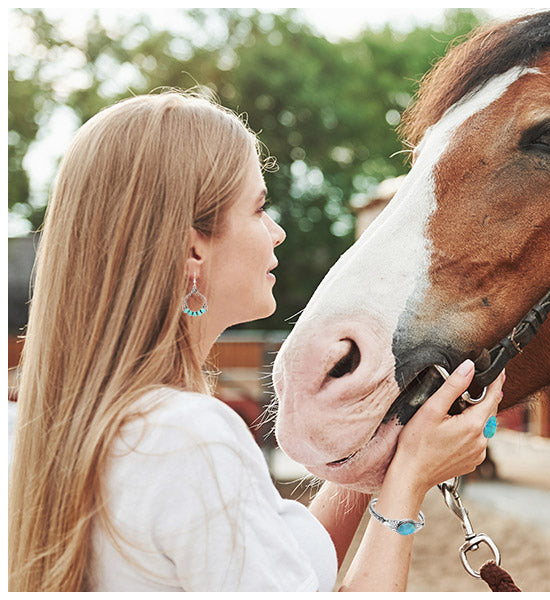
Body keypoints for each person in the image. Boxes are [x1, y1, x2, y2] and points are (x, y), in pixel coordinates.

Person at [8, 91, 504, 592]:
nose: (278, 232)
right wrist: (409, 480)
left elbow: (286, 573)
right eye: (259, 208)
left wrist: (368, 439)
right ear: (193, 251)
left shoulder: (29, 423)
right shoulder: (189, 439)